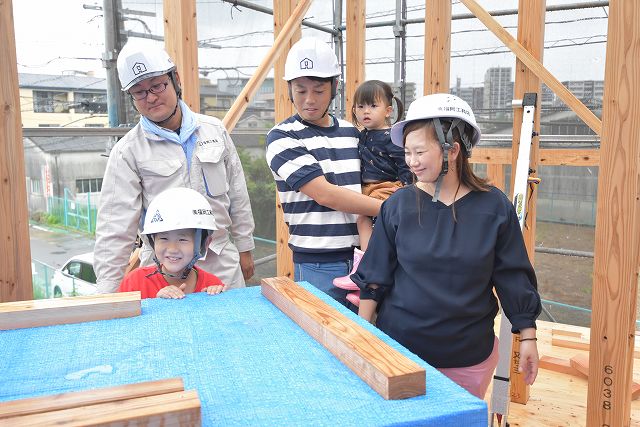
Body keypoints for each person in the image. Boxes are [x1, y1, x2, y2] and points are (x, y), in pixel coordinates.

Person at [351, 93, 541, 399]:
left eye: (419, 152)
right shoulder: (398, 206)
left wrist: (528, 337)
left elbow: (513, 276)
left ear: (451, 151)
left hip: (467, 358)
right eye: (407, 153)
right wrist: (362, 336)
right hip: (399, 354)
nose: (410, 162)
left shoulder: (493, 208)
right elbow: (376, 275)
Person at [94, 41, 255, 294]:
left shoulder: (214, 131)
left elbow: (237, 194)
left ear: (175, 79)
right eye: (139, 92)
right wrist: (106, 295)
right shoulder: (128, 151)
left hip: (219, 261)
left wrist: (245, 247)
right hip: (163, 273)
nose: (151, 97)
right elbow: (114, 228)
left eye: (157, 85)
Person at [265, 37, 382, 308]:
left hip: (362, 256)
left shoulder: (352, 133)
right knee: (322, 340)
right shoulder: (282, 137)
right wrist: (392, 208)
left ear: (334, 87)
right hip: (318, 263)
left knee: (364, 338)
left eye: (318, 90)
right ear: (289, 89)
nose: (309, 100)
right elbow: (325, 194)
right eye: (300, 90)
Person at [332, 80, 412, 302]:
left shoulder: (393, 138)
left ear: (388, 111)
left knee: (364, 221)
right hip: (367, 189)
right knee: (369, 225)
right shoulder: (362, 135)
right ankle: (365, 286)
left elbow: (405, 165)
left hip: (387, 187)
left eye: (372, 106)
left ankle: (364, 274)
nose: (365, 111)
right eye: (360, 106)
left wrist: (405, 191)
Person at [118, 187, 227, 299]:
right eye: (164, 238)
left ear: (204, 243)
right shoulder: (134, 283)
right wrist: (157, 304)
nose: (172, 249)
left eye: (182, 240)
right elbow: (120, 314)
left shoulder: (212, 284)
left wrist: (215, 302)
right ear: (152, 241)